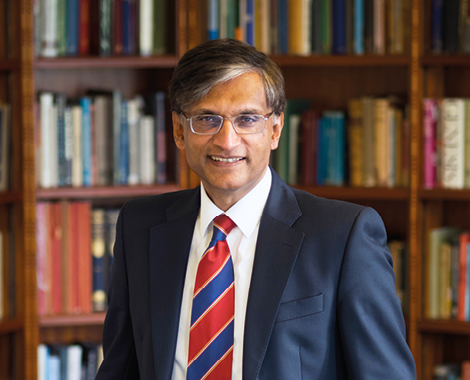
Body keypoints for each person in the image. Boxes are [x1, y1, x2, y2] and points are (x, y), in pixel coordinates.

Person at [95, 38, 416, 380]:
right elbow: (119, 367)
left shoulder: (344, 235)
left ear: (275, 129)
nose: (227, 140)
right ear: (178, 130)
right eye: (207, 119)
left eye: (247, 119)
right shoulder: (139, 226)